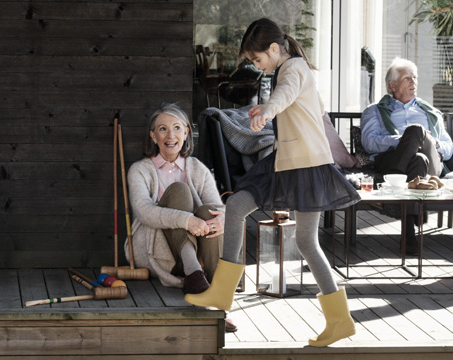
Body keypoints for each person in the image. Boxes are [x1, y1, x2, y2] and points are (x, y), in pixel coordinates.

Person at [184, 18, 361, 347]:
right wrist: (267, 109)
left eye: (257, 59)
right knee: (291, 233)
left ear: (274, 49)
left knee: (242, 209)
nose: (257, 66)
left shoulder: (291, 69)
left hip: (302, 164)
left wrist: (268, 110)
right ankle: (339, 319)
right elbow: (306, 106)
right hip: (295, 160)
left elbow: (285, 95)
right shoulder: (293, 69)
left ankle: (225, 293)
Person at [125, 103, 235, 331]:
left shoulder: (197, 168)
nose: (170, 135)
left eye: (176, 128)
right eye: (163, 129)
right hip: (157, 251)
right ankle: (195, 275)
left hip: (202, 254)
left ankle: (215, 296)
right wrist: (186, 220)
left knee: (209, 212)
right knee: (179, 191)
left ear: (186, 132)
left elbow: (217, 207)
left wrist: (222, 219)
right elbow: (144, 212)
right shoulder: (140, 170)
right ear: (153, 136)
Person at [361, 57, 453, 255]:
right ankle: (409, 235)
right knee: (417, 157)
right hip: (392, 160)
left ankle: (394, 183)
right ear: (392, 85)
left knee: (419, 137)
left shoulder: (431, 112)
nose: (413, 82)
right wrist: (404, 140)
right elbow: (369, 143)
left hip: (431, 167)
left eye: (415, 78)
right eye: (407, 78)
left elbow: (448, 147)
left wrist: (431, 142)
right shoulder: (374, 111)